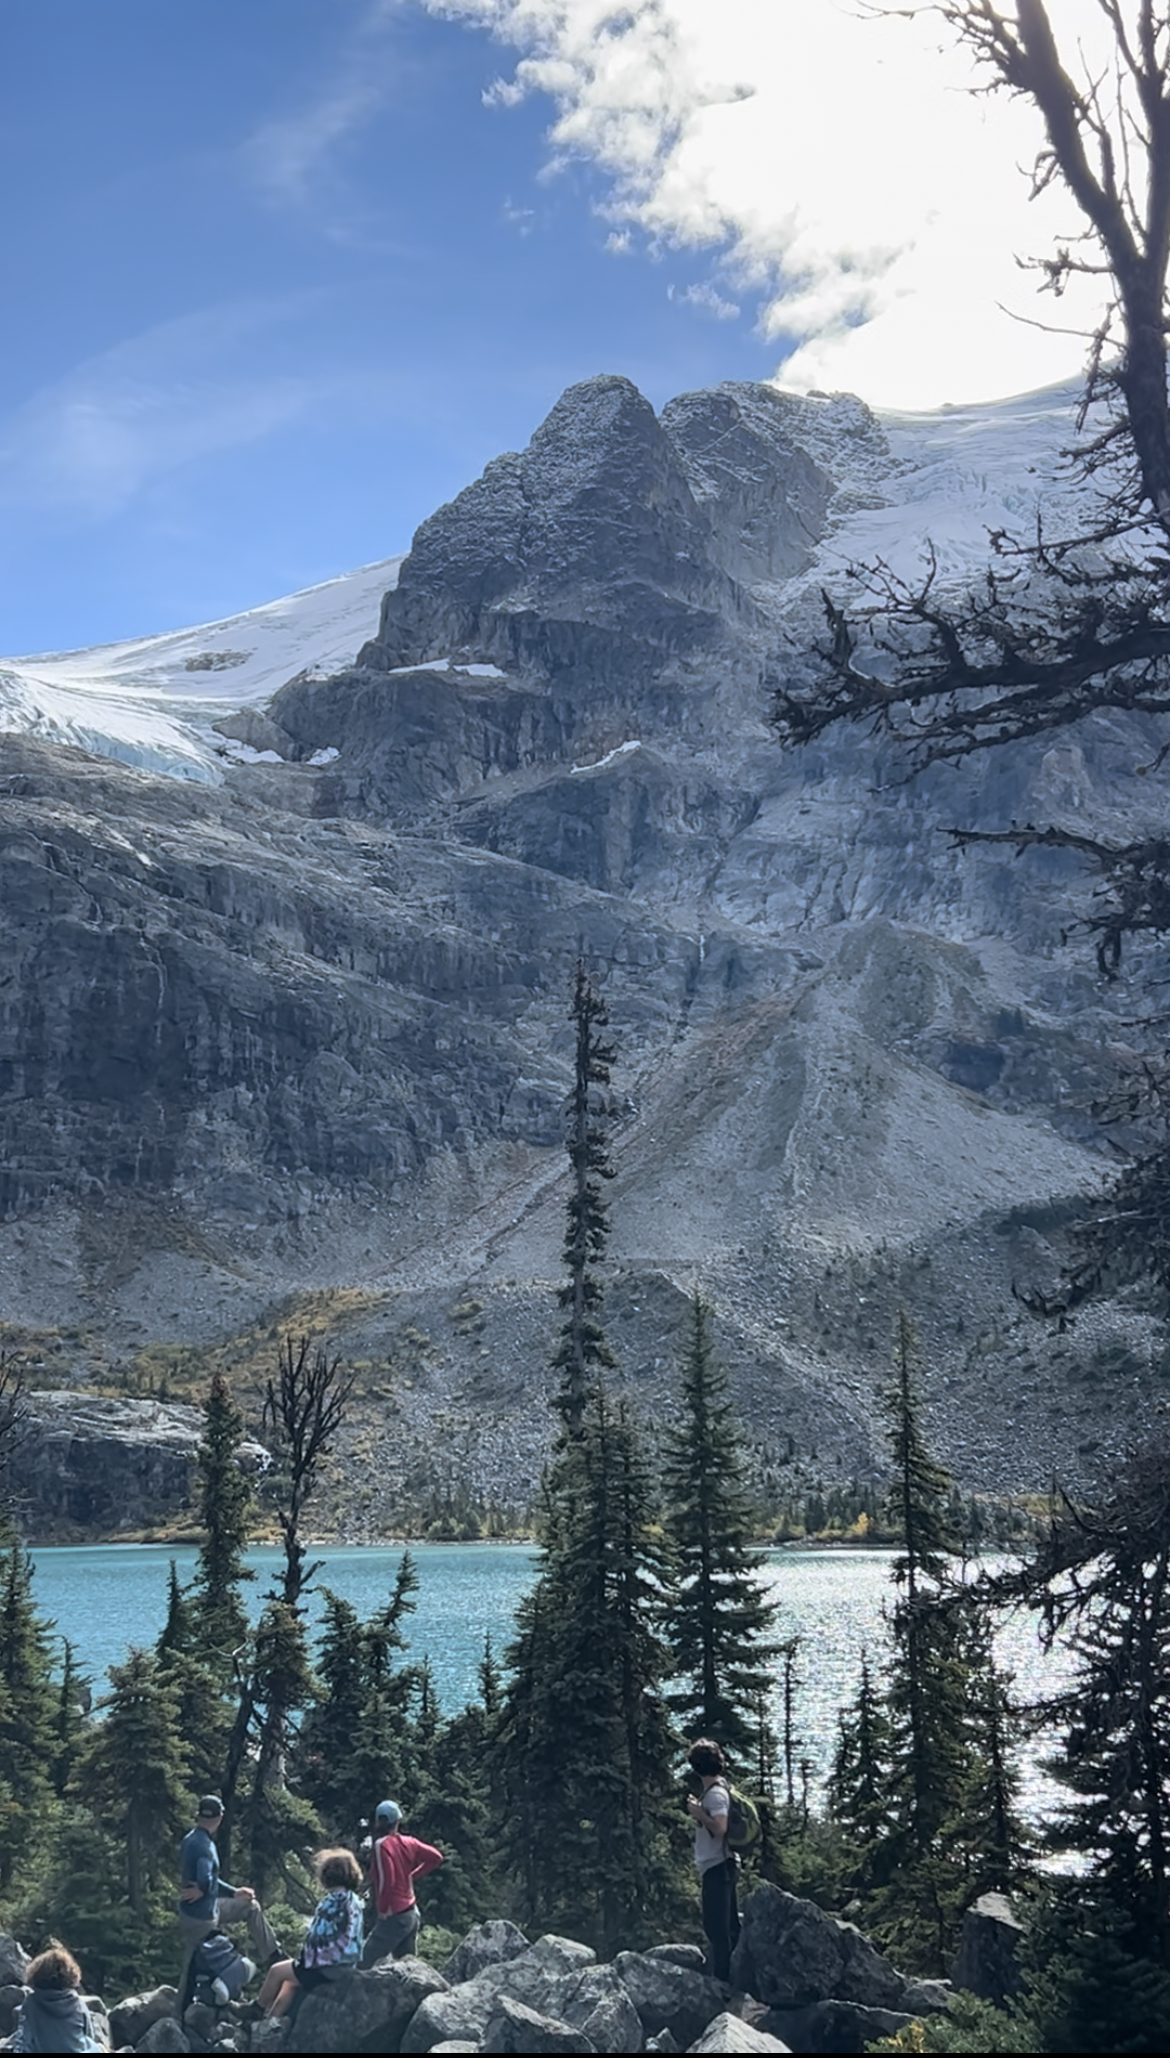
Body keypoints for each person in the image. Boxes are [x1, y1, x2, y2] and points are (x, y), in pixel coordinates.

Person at [176, 1795, 280, 2010]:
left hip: (201, 1910)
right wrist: (203, 1888)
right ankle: (183, 2010)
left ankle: (273, 1954)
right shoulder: (205, 1846)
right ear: (219, 1817)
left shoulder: (191, 1838)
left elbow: (210, 1877)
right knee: (193, 1966)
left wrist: (234, 1893)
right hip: (202, 1917)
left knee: (250, 1906)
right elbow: (206, 1875)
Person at [257, 1848, 365, 2019]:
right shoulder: (354, 1901)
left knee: (277, 1971)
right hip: (346, 1966)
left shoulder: (332, 1902)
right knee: (290, 1982)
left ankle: (257, 2009)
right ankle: (273, 2019)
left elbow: (317, 1938)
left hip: (326, 1968)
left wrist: (304, 1961)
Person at [360, 1799, 443, 1966]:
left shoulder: (381, 1845)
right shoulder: (410, 1842)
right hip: (412, 1912)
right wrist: (412, 1876)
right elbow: (436, 1857)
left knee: (364, 1962)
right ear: (397, 1821)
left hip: (394, 1915)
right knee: (407, 1966)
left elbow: (387, 1880)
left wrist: (383, 1910)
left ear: (379, 1821)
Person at [685, 1737, 740, 1984]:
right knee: (726, 1925)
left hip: (719, 1866)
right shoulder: (719, 1789)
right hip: (722, 1864)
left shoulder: (716, 1795)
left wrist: (699, 1813)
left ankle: (723, 1981)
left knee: (717, 1927)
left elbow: (719, 1827)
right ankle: (731, 1975)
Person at [10, 1944, 101, 2053]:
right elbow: (89, 2035)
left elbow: (24, 2040)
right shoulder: (77, 2003)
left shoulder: (31, 2003)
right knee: (97, 2046)